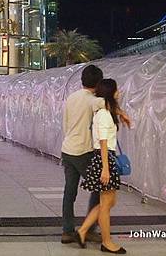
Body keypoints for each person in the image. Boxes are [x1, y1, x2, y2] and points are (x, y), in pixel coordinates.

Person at [76, 79, 127, 254]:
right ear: (110, 92)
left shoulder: (105, 112)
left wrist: (122, 114)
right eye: (116, 89)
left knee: (109, 201)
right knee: (106, 204)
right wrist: (106, 168)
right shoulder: (104, 115)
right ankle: (106, 242)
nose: (118, 92)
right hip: (104, 158)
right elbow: (104, 142)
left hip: (104, 158)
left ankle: (83, 230)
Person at [60, 65, 105, 245]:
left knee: (69, 192)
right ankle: (89, 228)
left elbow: (65, 124)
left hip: (68, 149)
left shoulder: (71, 98)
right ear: (99, 82)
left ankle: (67, 231)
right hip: (83, 152)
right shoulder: (94, 100)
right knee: (100, 189)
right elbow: (110, 104)